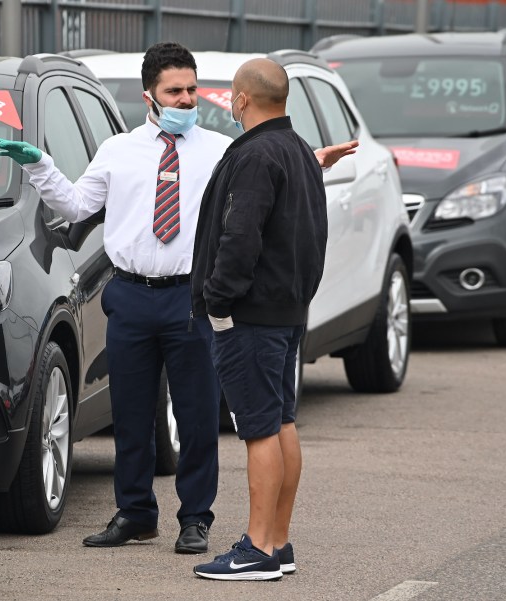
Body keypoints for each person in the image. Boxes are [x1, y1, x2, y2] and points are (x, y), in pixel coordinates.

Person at [0, 42, 354, 555]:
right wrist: (40, 167)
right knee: (131, 412)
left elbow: (266, 189)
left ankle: (195, 518)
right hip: (132, 295)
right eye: (174, 91)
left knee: (198, 413)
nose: (187, 99)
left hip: (192, 298)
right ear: (149, 96)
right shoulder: (118, 151)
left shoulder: (221, 150)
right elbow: (75, 206)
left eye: (191, 89)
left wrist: (312, 161)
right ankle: (135, 513)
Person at [190, 58, 328, 580]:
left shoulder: (255, 155)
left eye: (230, 95)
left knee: (258, 431)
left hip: (251, 316)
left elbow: (239, 237)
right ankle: (279, 542)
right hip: (287, 311)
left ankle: (258, 548)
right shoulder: (297, 151)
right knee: (280, 421)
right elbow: (315, 234)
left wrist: (219, 303)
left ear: (241, 99)